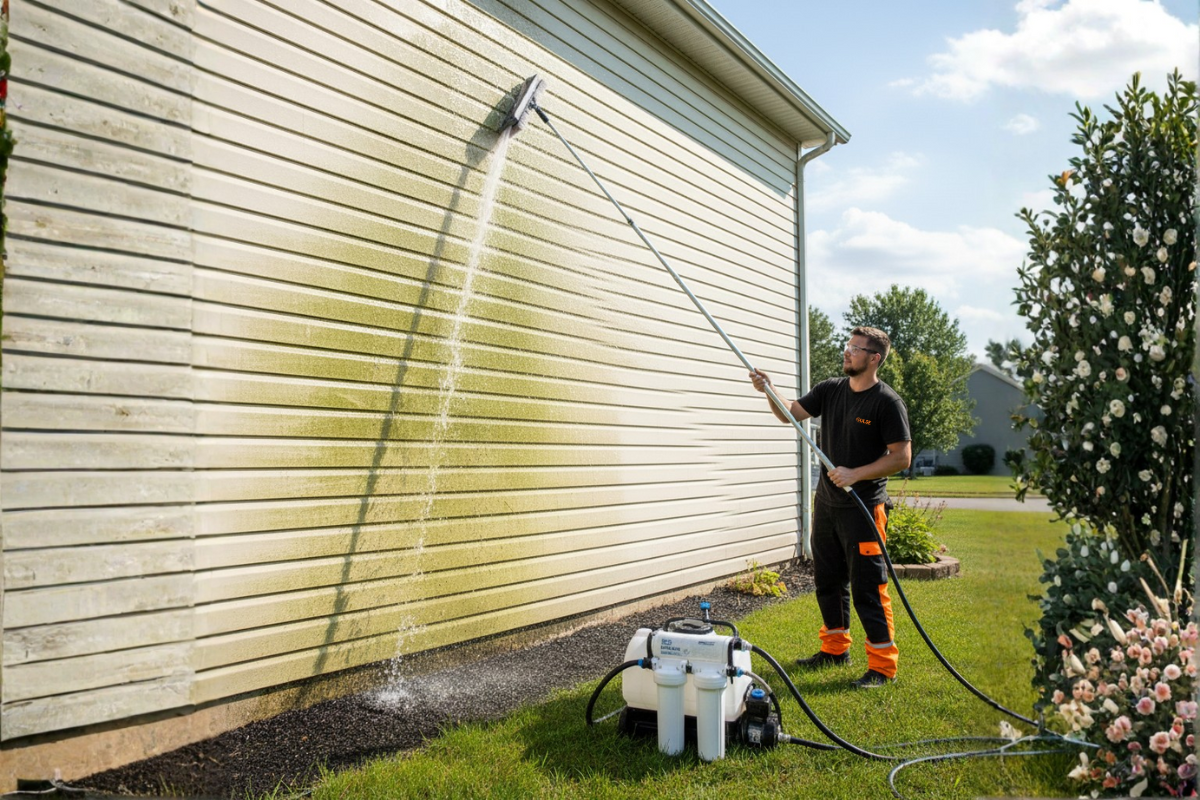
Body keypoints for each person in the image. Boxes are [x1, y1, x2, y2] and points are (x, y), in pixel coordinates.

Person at [749, 326, 911, 689]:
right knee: (828, 580)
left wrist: (856, 474)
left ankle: (882, 666)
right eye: (848, 345)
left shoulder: (886, 402)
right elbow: (789, 413)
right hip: (827, 503)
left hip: (864, 508)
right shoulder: (830, 390)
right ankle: (835, 648)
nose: (847, 352)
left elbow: (901, 457)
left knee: (868, 586)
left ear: (874, 358)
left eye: (856, 348)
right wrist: (768, 390)